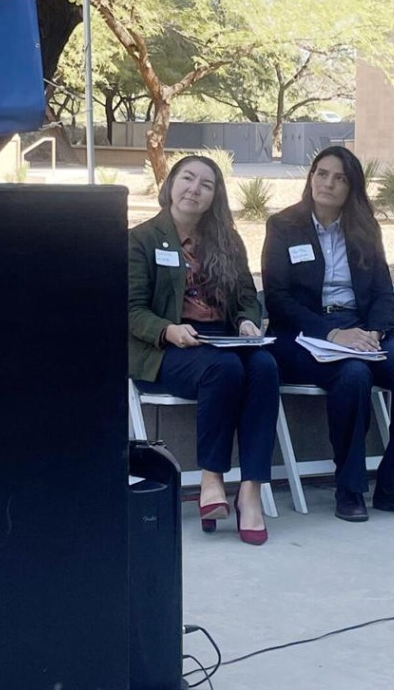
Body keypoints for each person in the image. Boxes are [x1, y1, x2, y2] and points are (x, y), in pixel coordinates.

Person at [261, 146, 394, 522]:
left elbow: (384, 292)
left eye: (340, 178)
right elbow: (277, 300)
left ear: (351, 187)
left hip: (362, 329)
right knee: (353, 374)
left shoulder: (364, 228)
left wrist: (374, 331)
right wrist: (334, 333)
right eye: (322, 174)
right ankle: (350, 487)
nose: (328, 183)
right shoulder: (283, 226)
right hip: (304, 335)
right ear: (310, 178)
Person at [129, 155, 279, 545]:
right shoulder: (141, 240)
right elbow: (129, 310)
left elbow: (248, 296)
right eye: (187, 179)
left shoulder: (227, 241)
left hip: (224, 338)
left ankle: (251, 492)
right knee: (225, 370)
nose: (194, 189)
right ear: (171, 184)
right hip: (165, 347)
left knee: (264, 367)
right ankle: (212, 478)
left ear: (215, 196)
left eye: (206, 184)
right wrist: (168, 330)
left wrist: (248, 320)